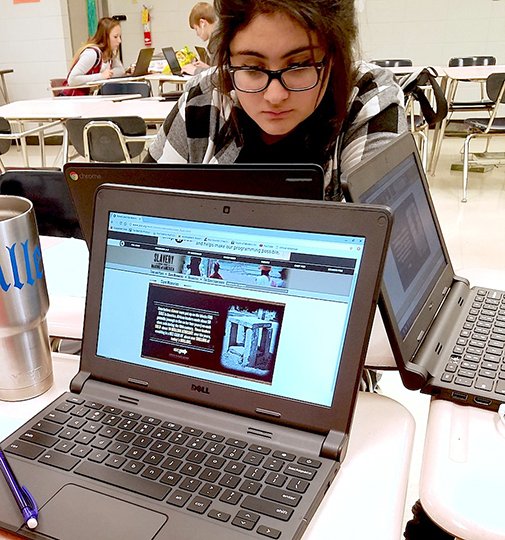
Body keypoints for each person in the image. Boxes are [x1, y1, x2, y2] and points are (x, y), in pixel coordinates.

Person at [144, 0, 407, 201]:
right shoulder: (203, 99)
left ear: (334, 57)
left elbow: (388, 239)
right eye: (251, 68)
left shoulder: (365, 98)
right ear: (227, 58)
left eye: (300, 65)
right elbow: (142, 206)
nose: (275, 96)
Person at [62, 17, 127, 95]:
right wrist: (101, 76)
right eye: (115, 37)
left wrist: (109, 74)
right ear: (104, 37)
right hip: (75, 100)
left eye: (120, 36)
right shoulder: (92, 54)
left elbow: (121, 70)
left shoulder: (109, 53)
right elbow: (72, 80)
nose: (119, 41)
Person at [183, 2, 218, 75]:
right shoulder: (220, 36)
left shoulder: (217, 42)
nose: (197, 34)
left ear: (202, 23)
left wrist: (195, 70)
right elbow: (220, 70)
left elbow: (218, 76)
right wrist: (207, 68)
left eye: (196, 29)